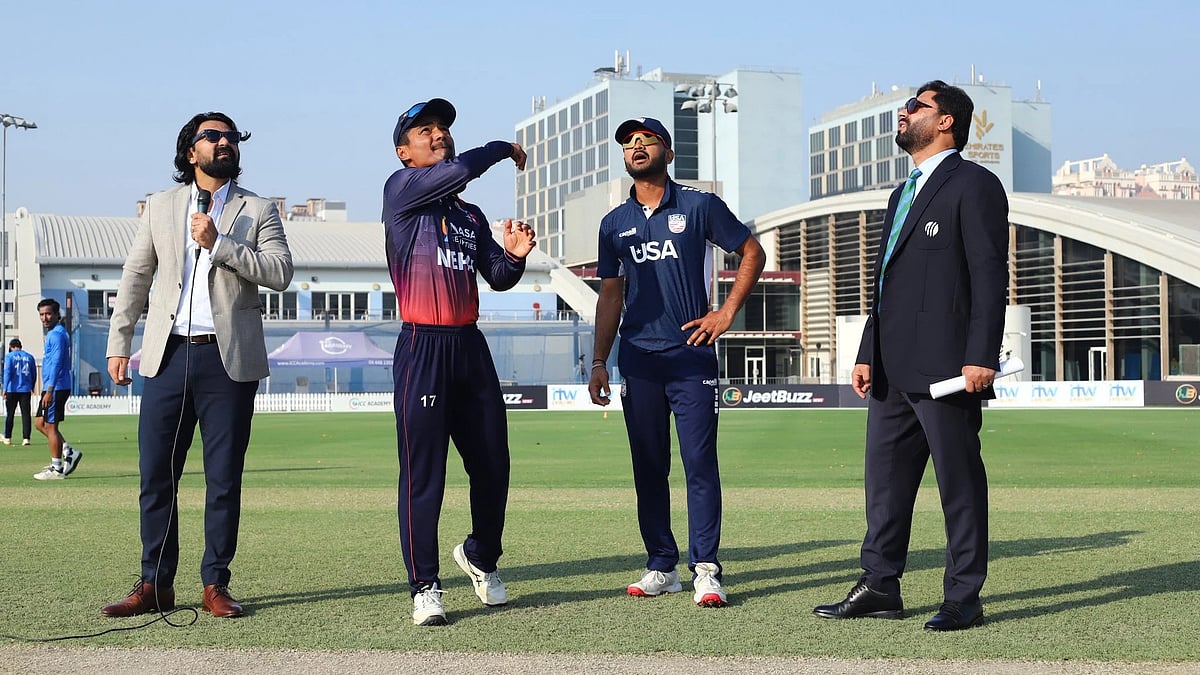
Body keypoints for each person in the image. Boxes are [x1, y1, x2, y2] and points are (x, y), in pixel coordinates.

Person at [812, 80, 1008, 632]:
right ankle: (880, 585)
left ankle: (963, 596)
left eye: (915, 107)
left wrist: (981, 356)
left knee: (959, 485)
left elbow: (990, 275)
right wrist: (867, 351)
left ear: (945, 121)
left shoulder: (975, 185)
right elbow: (885, 285)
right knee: (885, 486)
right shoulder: (902, 194)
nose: (903, 113)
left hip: (949, 369)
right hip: (891, 371)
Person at [101, 112, 293, 619]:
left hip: (227, 360)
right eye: (213, 136)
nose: (224, 142)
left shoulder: (259, 209)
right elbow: (136, 275)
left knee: (223, 479)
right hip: (166, 355)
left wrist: (221, 245)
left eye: (231, 136)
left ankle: (215, 584)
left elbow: (279, 273)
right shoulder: (161, 206)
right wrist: (119, 342)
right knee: (155, 476)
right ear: (191, 151)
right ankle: (155, 582)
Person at [587, 117, 765, 608]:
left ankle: (706, 568)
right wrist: (600, 359)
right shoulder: (613, 223)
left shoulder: (699, 206)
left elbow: (752, 250)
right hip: (638, 360)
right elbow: (610, 293)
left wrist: (726, 312)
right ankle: (661, 565)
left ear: (668, 151)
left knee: (699, 464)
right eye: (628, 143)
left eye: (646, 140)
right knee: (648, 467)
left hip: (691, 357)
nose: (636, 147)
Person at [383, 97, 533, 627]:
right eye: (425, 131)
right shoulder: (400, 193)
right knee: (425, 474)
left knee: (494, 463)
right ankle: (424, 585)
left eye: (443, 128)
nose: (439, 135)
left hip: (470, 347)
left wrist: (514, 253)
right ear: (405, 152)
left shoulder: (469, 214)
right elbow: (464, 167)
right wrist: (500, 147)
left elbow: (498, 276)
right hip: (423, 346)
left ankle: (479, 556)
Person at [32, 299, 82, 480]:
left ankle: (57, 468)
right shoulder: (54, 333)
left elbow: (58, 363)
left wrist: (50, 389)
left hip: (57, 386)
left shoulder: (57, 335)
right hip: (51, 386)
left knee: (51, 427)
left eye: (48, 314)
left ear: (56, 314)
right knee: (39, 423)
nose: (44, 318)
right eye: (41, 314)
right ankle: (68, 451)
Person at [3, 338, 35, 446]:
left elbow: (7, 372)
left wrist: (5, 388)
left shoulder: (9, 356)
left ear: (11, 347)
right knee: (26, 414)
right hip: (25, 389)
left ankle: (7, 437)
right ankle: (26, 438)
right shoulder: (29, 357)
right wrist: (32, 386)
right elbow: (33, 373)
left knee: (10, 414)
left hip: (12, 389)